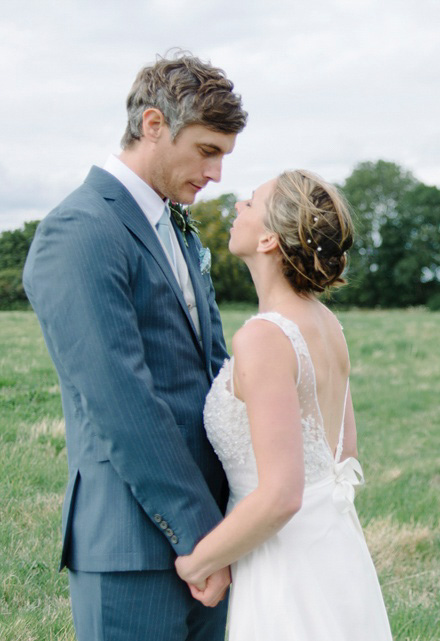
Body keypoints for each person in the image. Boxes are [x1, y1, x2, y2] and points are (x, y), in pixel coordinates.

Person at [22, 52, 247, 640]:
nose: (218, 173)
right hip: (131, 545)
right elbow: (121, 399)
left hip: (212, 539)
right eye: (207, 150)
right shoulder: (81, 229)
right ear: (153, 125)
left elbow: (210, 367)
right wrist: (201, 536)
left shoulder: (173, 223)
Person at [173, 170, 393, 640]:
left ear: (271, 238)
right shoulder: (327, 323)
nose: (236, 207)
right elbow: (344, 454)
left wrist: (200, 561)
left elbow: (280, 495)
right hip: (333, 550)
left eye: (250, 203)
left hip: (285, 565)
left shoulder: (265, 336)